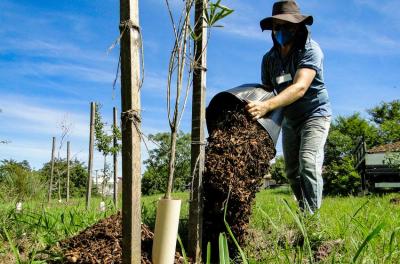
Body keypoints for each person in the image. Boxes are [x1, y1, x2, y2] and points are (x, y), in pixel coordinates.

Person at [246, 0, 332, 214]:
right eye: (277, 26)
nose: (281, 31)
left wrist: (266, 106)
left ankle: (313, 221)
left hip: (315, 114)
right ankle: (304, 211)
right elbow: (265, 91)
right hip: (290, 119)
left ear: (298, 27)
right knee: (292, 171)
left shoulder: (311, 50)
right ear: (272, 30)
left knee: (308, 163)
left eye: (287, 26)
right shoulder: (269, 59)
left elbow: (300, 87)